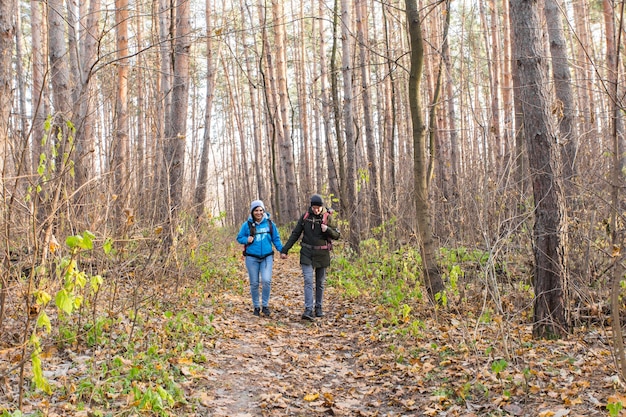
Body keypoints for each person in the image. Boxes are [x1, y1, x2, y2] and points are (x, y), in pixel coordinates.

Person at [280, 194, 340, 320]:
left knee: (320, 282)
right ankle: (308, 309)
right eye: (314, 207)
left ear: (322, 207)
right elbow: (295, 233)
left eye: (318, 207)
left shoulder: (328, 218)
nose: (316, 210)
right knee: (308, 280)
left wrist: (327, 229)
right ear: (311, 206)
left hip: (322, 254)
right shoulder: (305, 217)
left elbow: (337, 235)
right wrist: (285, 250)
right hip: (306, 252)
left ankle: (319, 307)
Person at [237, 200, 283, 317]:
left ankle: (265, 306)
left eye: (261, 210)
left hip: (267, 257)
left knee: (266, 281)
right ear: (252, 212)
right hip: (251, 258)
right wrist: (246, 240)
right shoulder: (246, 225)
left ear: (264, 211)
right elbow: (239, 237)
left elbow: (276, 239)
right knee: (254, 283)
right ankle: (256, 306)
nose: (258, 213)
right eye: (256, 210)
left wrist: (282, 250)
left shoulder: (270, 224)